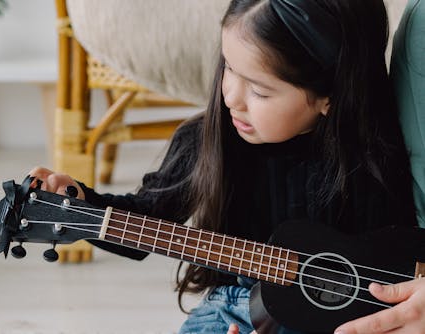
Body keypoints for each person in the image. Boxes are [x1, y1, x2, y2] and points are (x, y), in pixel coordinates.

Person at [29, 0, 425, 332]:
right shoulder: (205, 140)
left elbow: (396, 253)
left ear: (330, 96)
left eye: (259, 89)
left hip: (351, 314)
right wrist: (82, 203)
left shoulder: (377, 149)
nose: (232, 97)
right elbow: (146, 215)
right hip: (237, 304)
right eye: (229, 67)